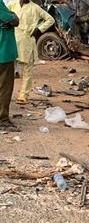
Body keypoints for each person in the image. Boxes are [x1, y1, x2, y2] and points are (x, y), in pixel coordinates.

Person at [8, 0, 54, 104]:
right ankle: (6, 95)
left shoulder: (35, 8)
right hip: (13, 40)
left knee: (27, 71)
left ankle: (23, 95)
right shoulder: (12, 4)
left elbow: (50, 19)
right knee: (9, 71)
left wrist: (39, 29)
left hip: (27, 41)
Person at [0, 0, 18, 130]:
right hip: (3, 52)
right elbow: (14, 20)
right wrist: (12, 16)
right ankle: (2, 119)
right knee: (4, 88)